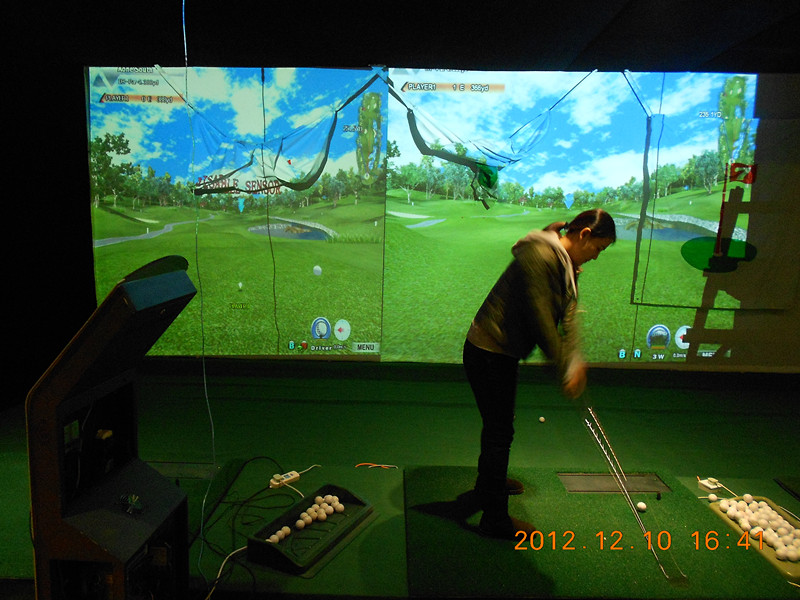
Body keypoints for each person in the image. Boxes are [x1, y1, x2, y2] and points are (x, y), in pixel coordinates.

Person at [462, 208, 616, 539]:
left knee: (500, 427)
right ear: (584, 235)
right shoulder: (540, 255)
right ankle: (494, 518)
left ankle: (487, 486)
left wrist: (574, 359)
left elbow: (568, 315)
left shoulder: (564, 263)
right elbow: (541, 318)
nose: (596, 257)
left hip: (501, 351)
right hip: (488, 350)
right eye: (598, 248)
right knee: (500, 431)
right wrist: (564, 368)